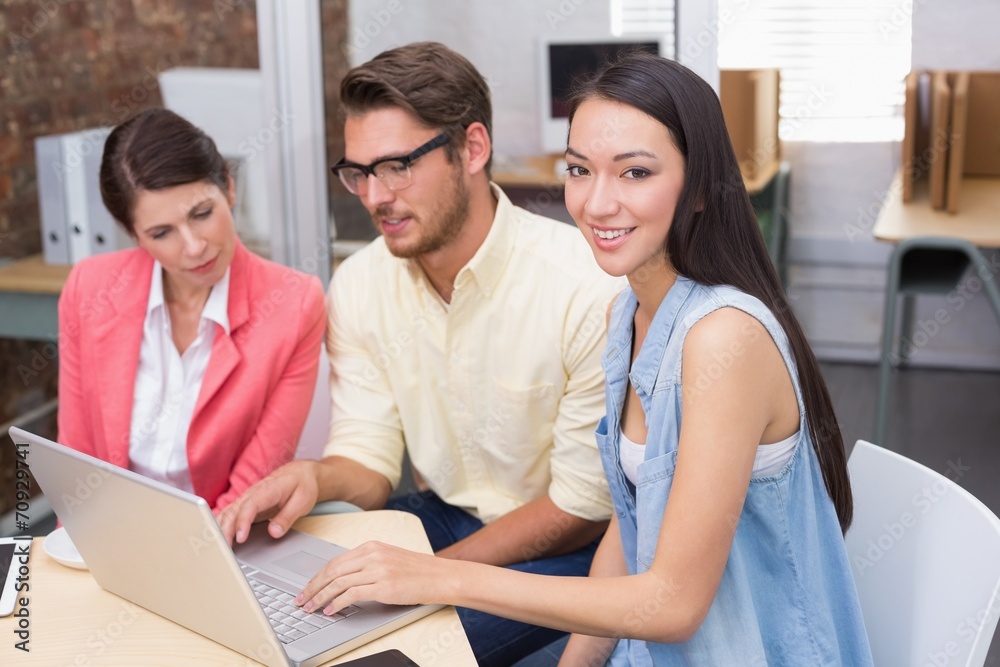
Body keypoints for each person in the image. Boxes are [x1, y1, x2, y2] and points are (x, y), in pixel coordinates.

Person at [279, 53, 875, 666]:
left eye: (635, 172)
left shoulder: (724, 336)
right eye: (579, 170)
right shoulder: (631, 314)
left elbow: (673, 605)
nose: (596, 203)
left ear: (700, 187)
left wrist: (439, 577)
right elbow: (628, 527)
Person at [217, 42, 622, 666]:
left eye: (396, 166)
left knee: (370, 653)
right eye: (358, 172)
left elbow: (581, 509)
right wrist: (316, 477)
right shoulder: (360, 283)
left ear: (473, 149)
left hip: (567, 549)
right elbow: (369, 460)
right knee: (264, 608)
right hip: (443, 516)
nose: (374, 196)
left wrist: (426, 576)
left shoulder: (585, 288)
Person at [57, 108, 326, 511]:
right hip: (107, 530)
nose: (194, 247)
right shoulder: (89, 288)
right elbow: (76, 462)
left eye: (202, 214)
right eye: (161, 233)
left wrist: (193, 547)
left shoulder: (295, 303)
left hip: (225, 534)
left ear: (229, 187)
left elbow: (252, 488)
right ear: (134, 235)